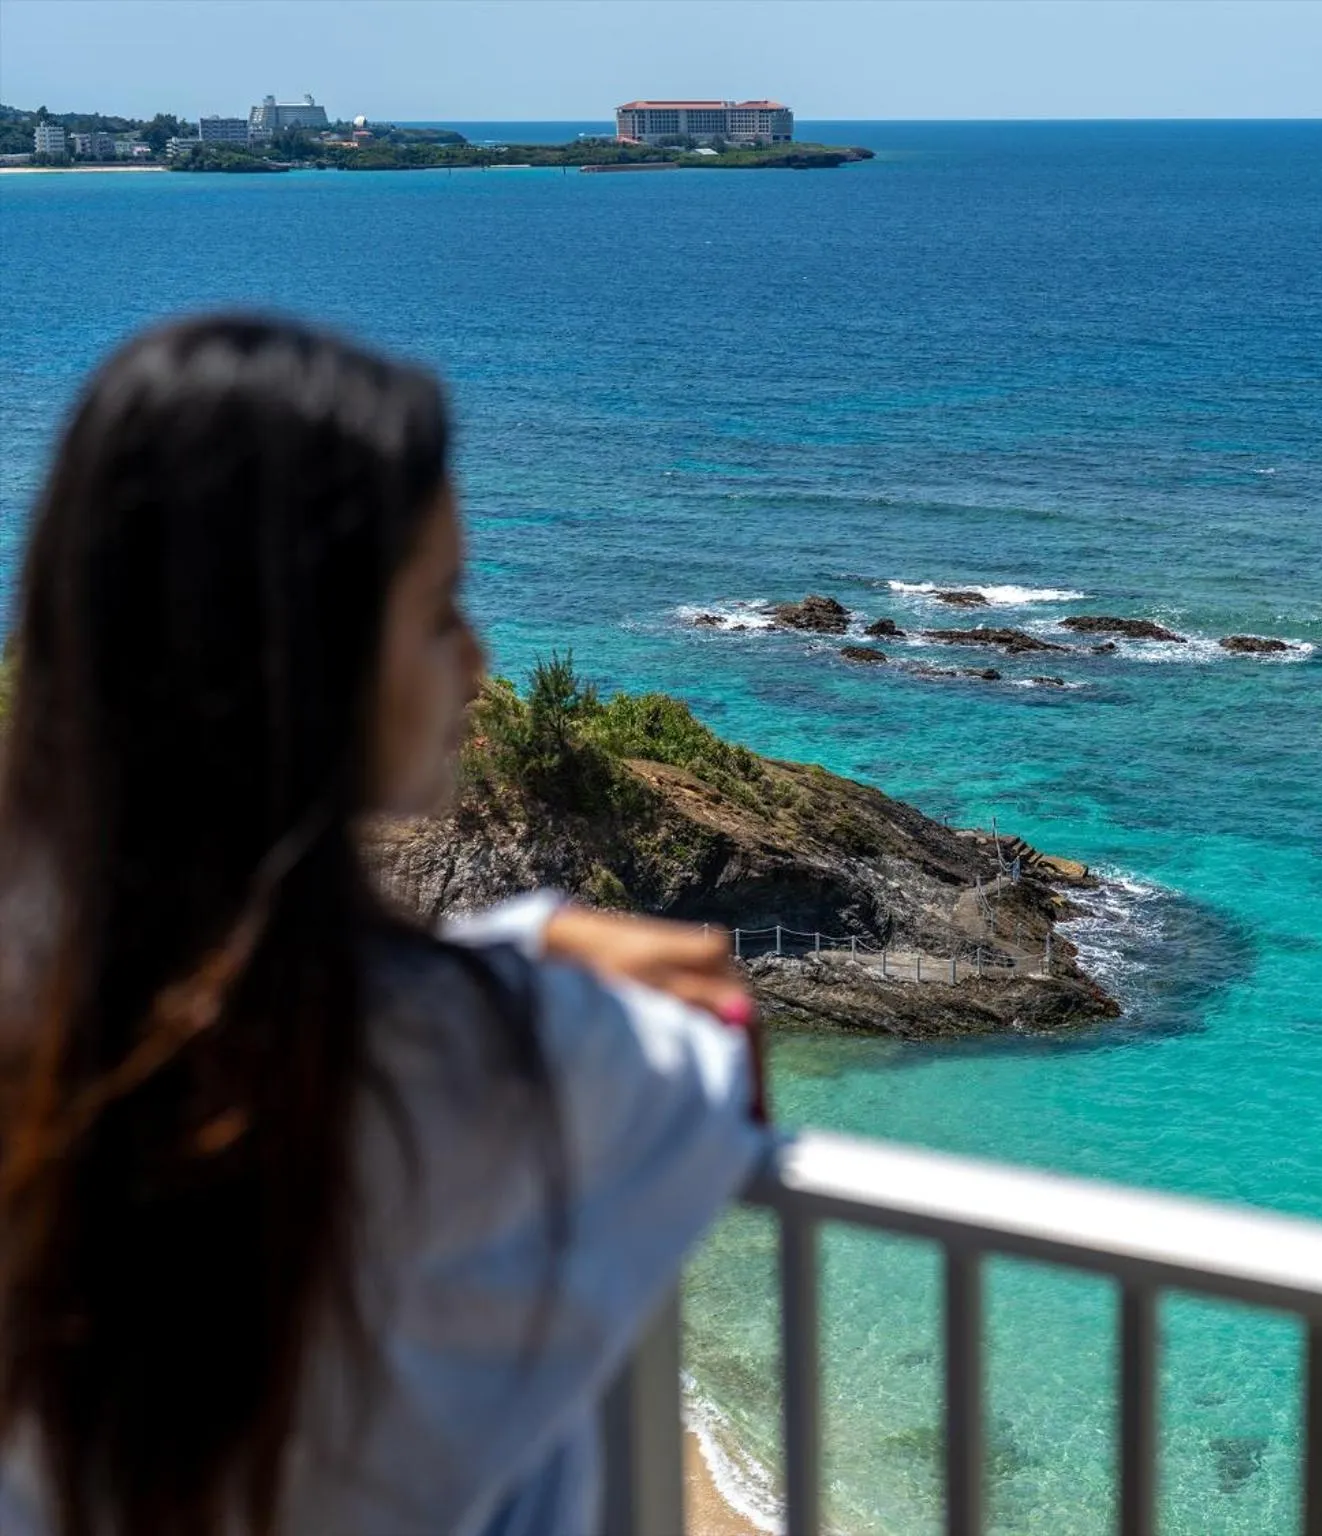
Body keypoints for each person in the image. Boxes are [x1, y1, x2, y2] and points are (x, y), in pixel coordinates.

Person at [0, 316, 768, 1536]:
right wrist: (534, 948)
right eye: (439, 608)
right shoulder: (503, 1060)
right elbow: (721, 1056)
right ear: (309, 661)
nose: (478, 657)